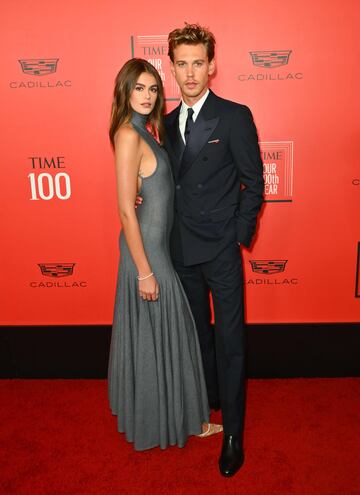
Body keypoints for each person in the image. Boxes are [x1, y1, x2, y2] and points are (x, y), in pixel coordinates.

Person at [163, 24, 264, 476]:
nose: (190, 73)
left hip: (220, 247)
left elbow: (253, 182)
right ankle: (206, 404)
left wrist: (239, 235)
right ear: (172, 66)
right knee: (196, 336)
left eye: (198, 63)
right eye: (181, 63)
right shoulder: (164, 123)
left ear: (212, 65)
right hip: (181, 248)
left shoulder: (234, 115)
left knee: (228, 339)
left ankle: (234, 433)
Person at [107, 58, 222, 451]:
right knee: (166, 336)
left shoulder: (146, 133)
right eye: (138, 88)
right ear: (124, 91)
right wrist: (144, 271)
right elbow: (125, 208)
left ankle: (170, 419)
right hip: (148, 255)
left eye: (153, 88)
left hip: (155, 248)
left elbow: (145, 190)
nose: (147, 95)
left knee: (160, 338)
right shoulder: (128, 134)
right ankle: (179, 422)